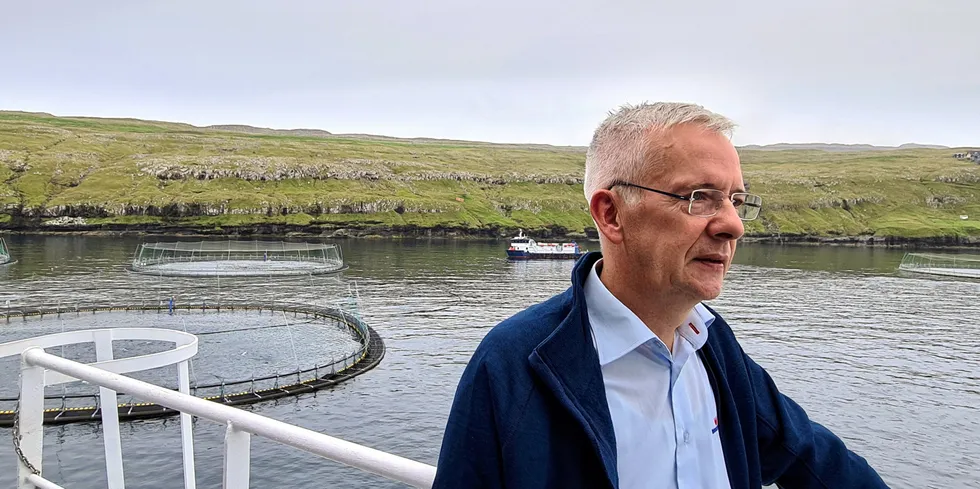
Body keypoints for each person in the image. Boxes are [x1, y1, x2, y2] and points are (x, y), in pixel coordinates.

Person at [431, 102, 888, 489]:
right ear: (611, 214)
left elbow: (813, 458)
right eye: (699, 197)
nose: (734, 225)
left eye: (736, 199)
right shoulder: (516, 364)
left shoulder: (712, 345)